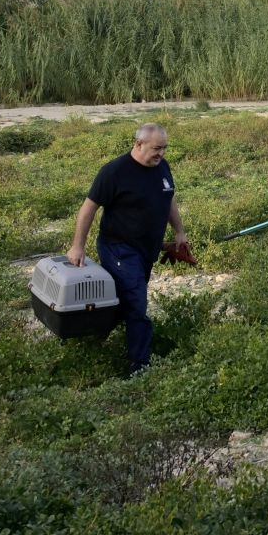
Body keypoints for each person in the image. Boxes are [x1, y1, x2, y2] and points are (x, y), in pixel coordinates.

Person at [67, 122, 187, 374]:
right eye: (156, 148)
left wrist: (179, 232)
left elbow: (169, 197)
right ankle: (139, 364)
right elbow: (88, 208)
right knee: (136, 301)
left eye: (164, 148)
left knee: (124, 302)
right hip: (118, 248)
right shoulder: (114, 171)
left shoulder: (162, 167)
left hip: (147, 250)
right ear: (138, 144)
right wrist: (77, 246)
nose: (161, 154)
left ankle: (92, 336)